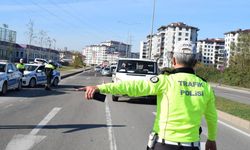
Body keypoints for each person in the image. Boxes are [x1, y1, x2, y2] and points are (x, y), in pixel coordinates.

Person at [84, 41, 218, 150]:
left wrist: (100, 88)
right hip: (192, 146)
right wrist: (211, 139)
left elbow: (132, 87)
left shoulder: (165, 81)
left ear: (174, 60)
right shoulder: (205, 87)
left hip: (164, 145)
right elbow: (212, 117)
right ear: (195, 62)